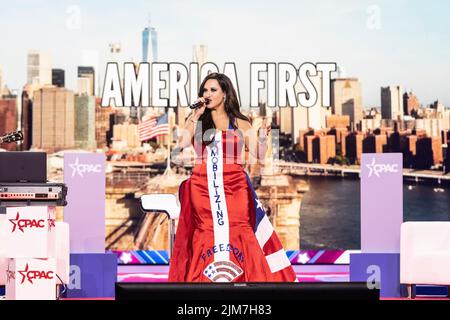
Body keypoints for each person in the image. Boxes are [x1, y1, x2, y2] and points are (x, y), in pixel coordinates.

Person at [168, 73, 296, 282]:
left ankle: (247, 281)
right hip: (202, 189)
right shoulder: (198, 121)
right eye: (204, 91)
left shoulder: (240, 122)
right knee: (206, 233)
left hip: (235, 188)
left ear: (225, 94)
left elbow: (259, 154)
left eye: (212, 90)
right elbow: (181, 144)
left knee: (240, 231)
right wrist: (195, 115)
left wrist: (263, 139)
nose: (207, 95)